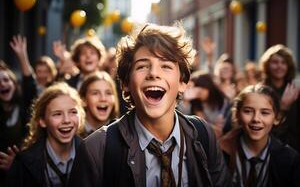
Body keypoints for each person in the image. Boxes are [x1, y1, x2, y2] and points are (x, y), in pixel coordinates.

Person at [68, 22, 230, 187]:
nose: (153, 73)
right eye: (143, 66)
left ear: (182, 83)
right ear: (125, 83)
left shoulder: (203, 135)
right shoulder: (96, 149)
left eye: (166, 66)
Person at [219, 84, 300, 186]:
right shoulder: (220, 153)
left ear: (276, 118)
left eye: (265, 113)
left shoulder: (290, 159)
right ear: (237, 115)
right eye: (248, 111)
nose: (256, 119)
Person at [7, 82, 85, 187]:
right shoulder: (24, 163)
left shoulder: (92, 153)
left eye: (73, 112)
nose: (66, 120)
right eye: (57, 114)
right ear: (42, 120)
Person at [259, 44, 300, 152]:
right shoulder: (260, 90)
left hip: (294, 146)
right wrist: (282, 107)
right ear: (267, 65)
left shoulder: (295, 89)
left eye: (283, 63)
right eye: (275, 62)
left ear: (288, 66)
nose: (279, 66)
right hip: (268, 147)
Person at [183, 70, 232, 138]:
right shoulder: (195, 103)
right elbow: (184, 117)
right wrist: (186, 100)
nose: (197, 91)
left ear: (207, 86)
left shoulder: (223, 101)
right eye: (195, 88)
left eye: (201, 87)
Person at [78, 71, 119, 138]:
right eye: (95, 93)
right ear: (83, 100)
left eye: (108, 93)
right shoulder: (73, 135)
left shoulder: (123, 132)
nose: (103, 99)